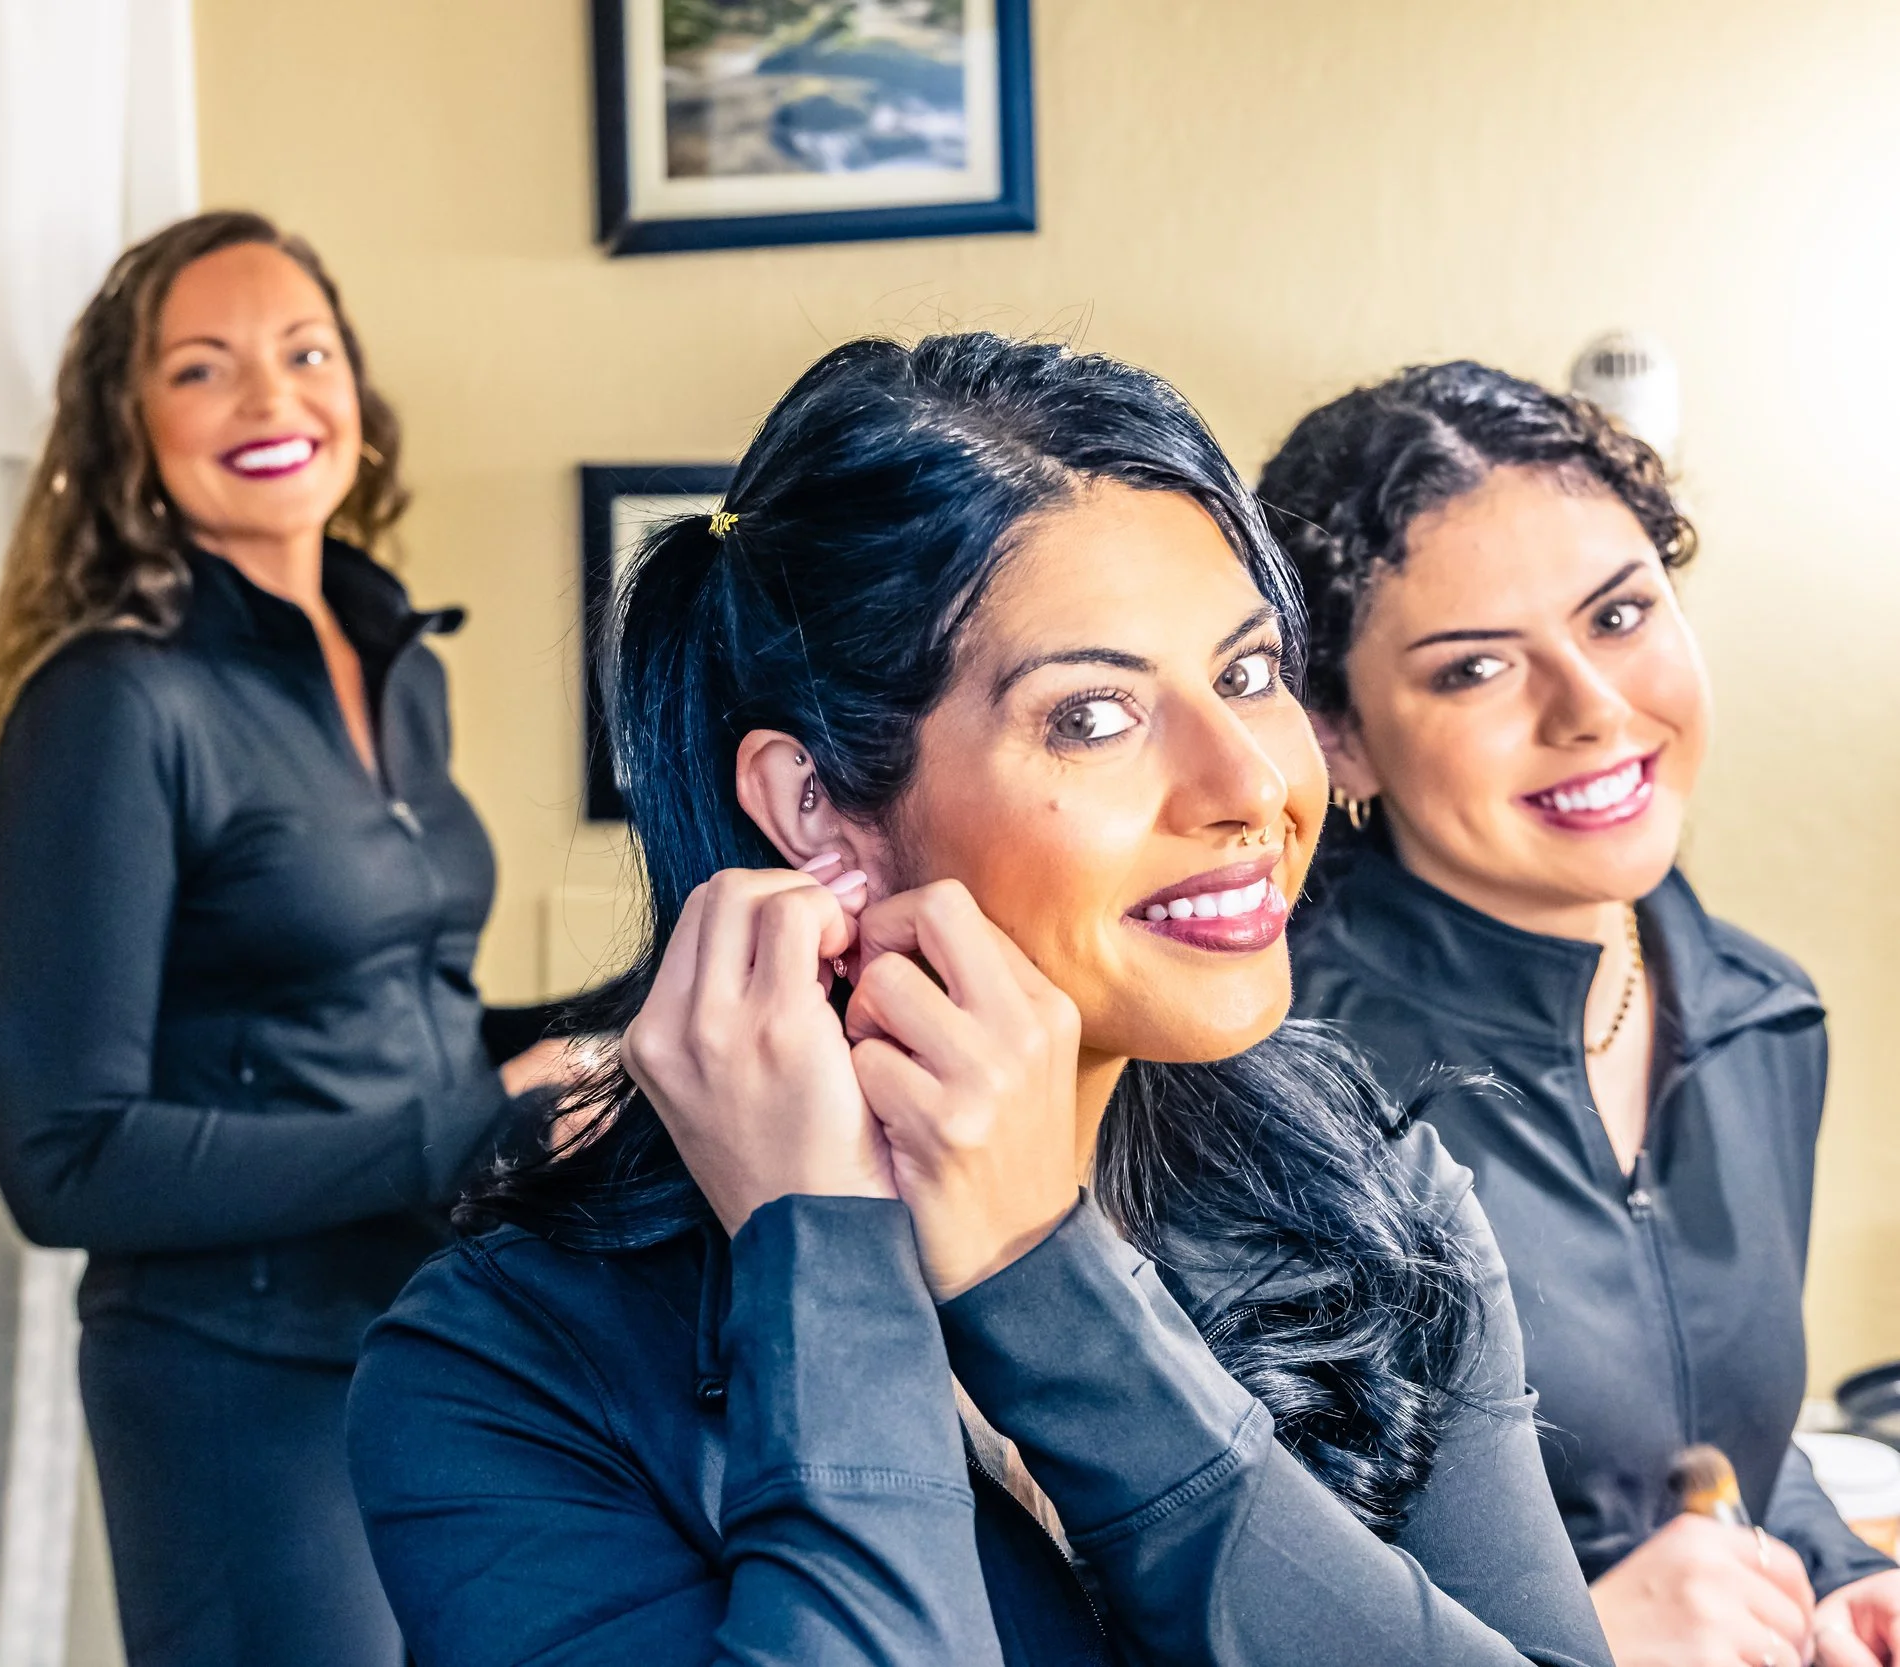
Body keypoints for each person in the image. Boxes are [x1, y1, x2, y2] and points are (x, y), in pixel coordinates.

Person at [346, 333, 1614, 1667]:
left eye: (1246, 673)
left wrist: (1046, 1289)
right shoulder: (509, 1369)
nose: (1250, 781)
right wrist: (822, 1253)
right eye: (1097, 717)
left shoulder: (1374, 1206)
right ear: (815, 811)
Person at [0, 210, 571, 1667]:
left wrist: (646, 1008)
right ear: (126, 428)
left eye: (306, 353)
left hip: (426, 1331)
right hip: (237, 1381)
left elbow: (406, 1008)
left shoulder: (396, 665)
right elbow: (63, 1156)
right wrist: (460, 1134)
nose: (272, 399)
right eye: (201, 370)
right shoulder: (113, 705)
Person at [1262, 361, 1900, 1667]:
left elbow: (1726, 1457)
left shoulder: (1760, 1011)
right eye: (1477, 667)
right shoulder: (1274, 1074)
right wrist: (1582, 1637)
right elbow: (1185, 1584)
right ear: (1341, 738)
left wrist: (1842, 1578)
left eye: (1618, 615)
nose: (1594, 710)